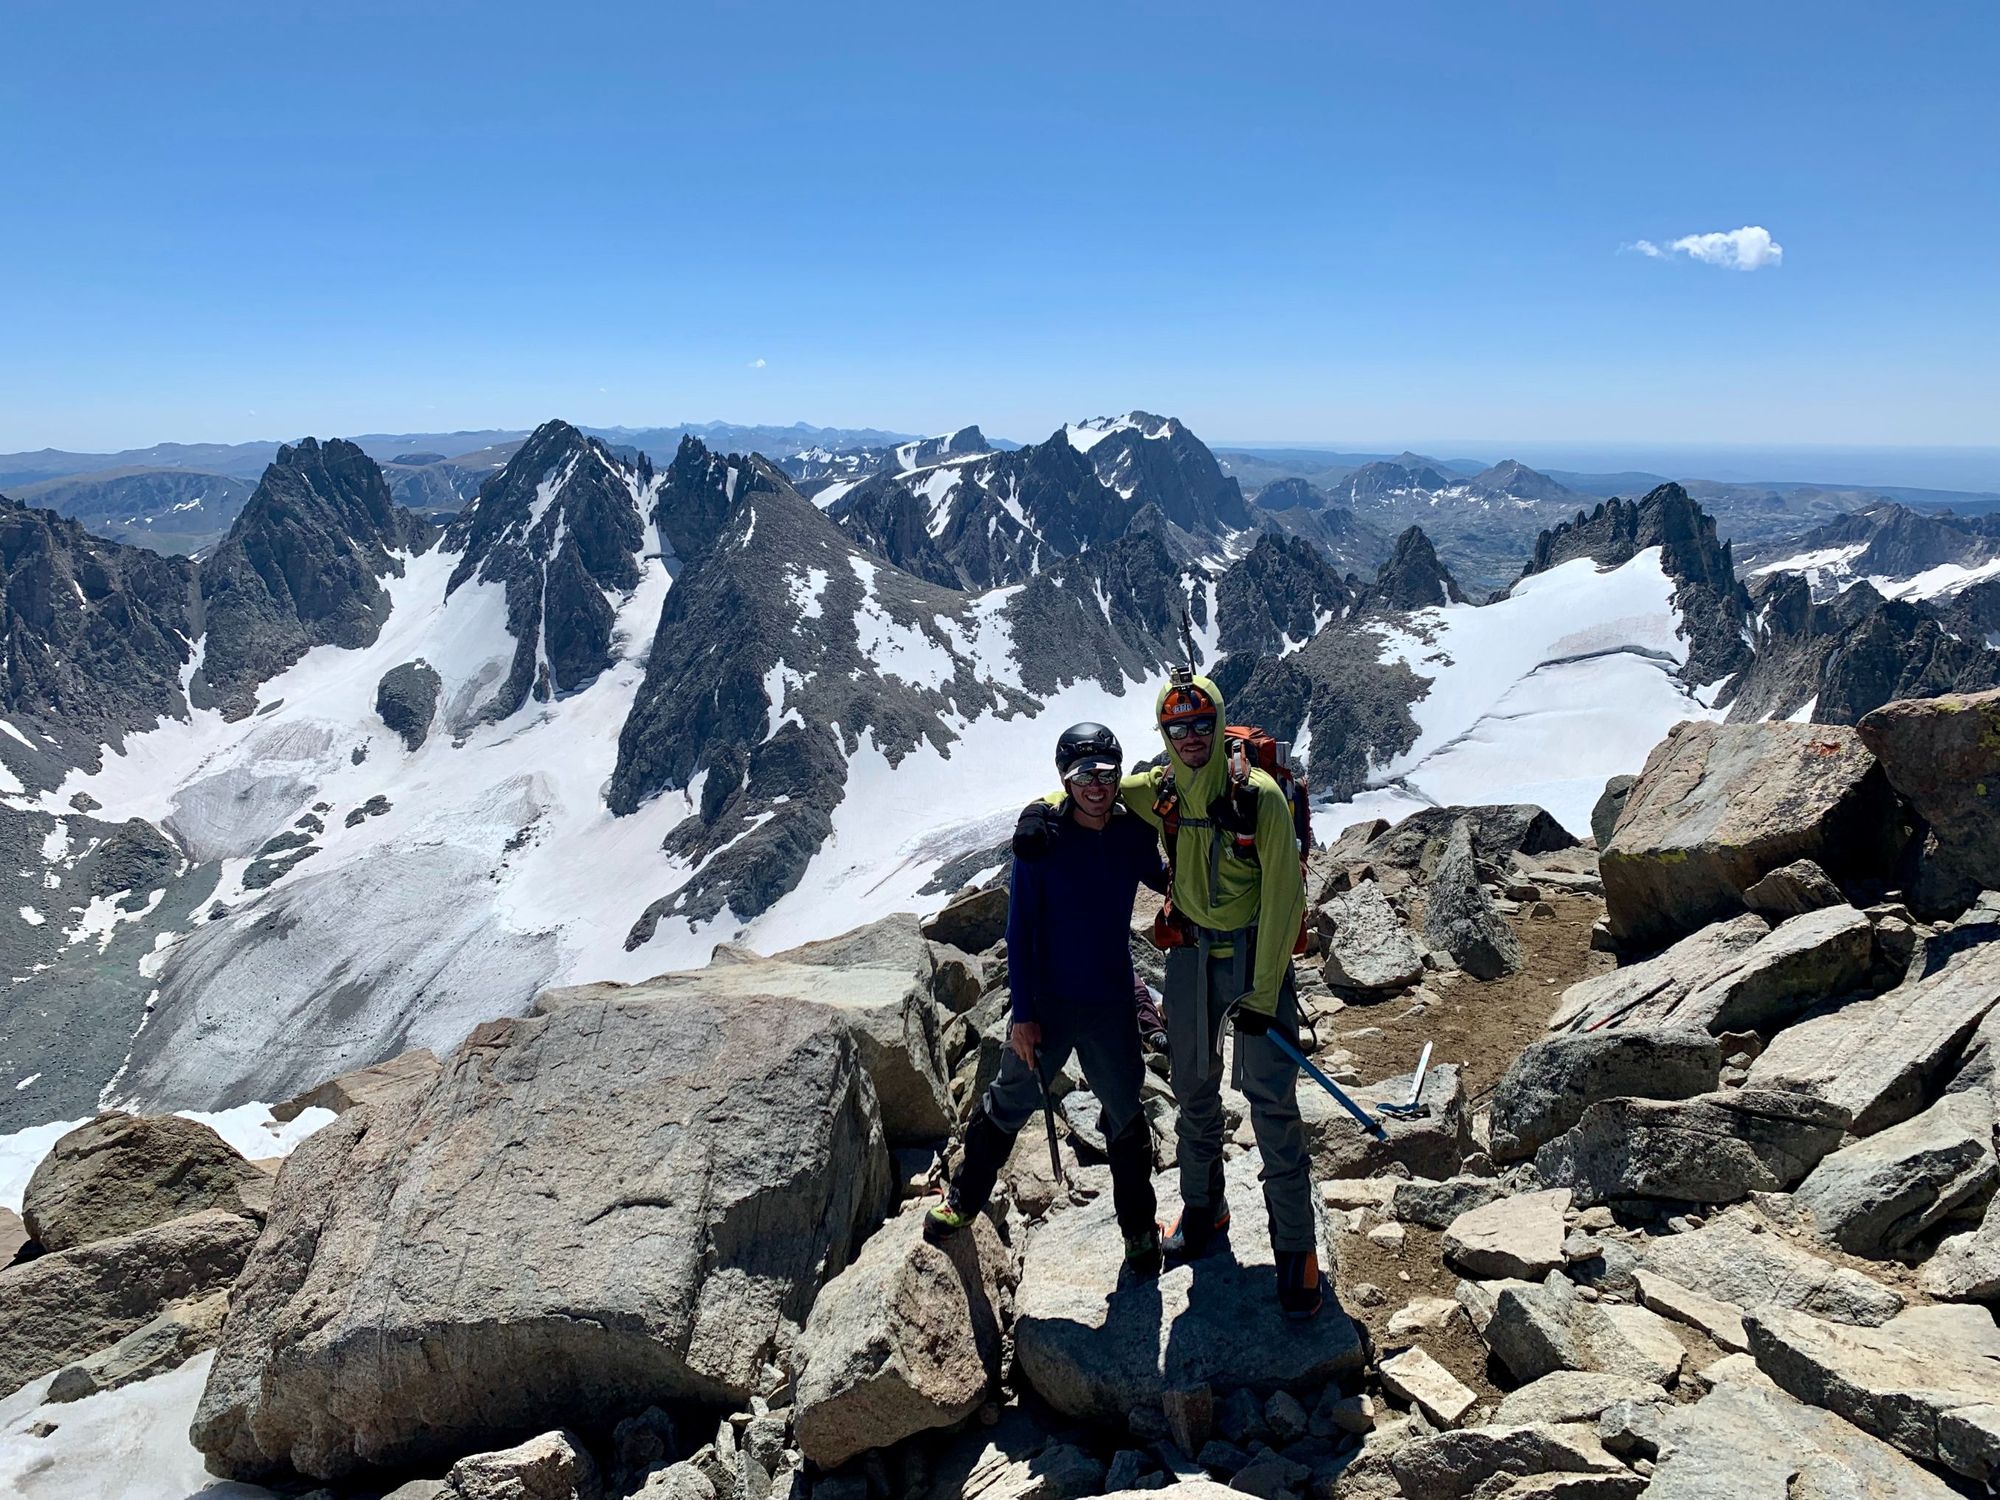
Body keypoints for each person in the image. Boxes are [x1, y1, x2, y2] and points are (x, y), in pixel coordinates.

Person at [924, 722, 1168, 1276]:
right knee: (1010, 1100)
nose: (1097, 785)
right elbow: (1021, 932)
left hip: (1109, 1002)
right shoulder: (1043, 843)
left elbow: (1167, 882)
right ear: (1065, 779)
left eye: (1106, 773)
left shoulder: (1131, 837)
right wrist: (1024, 1015)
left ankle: (1138, 1233)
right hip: (1051, 1004)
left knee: (1126, 1114)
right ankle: (964, 1199)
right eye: (1084, 775)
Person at [1124, 672, 1320, 1319]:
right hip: (1190, 959)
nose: (1190, 737)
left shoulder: (1258, 797)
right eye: (1177, 727)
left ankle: (1296, 1250)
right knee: (1193, 1091)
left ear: (1218, 723)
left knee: (1270, 1102)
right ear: (1164, 733)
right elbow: (1098, 791)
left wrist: (1264, 995)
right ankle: (1203, 1212)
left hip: (1253, 957)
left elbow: (1285, 899)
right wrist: (1053, 800)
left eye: (1201, 724)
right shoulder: (1162, 794)